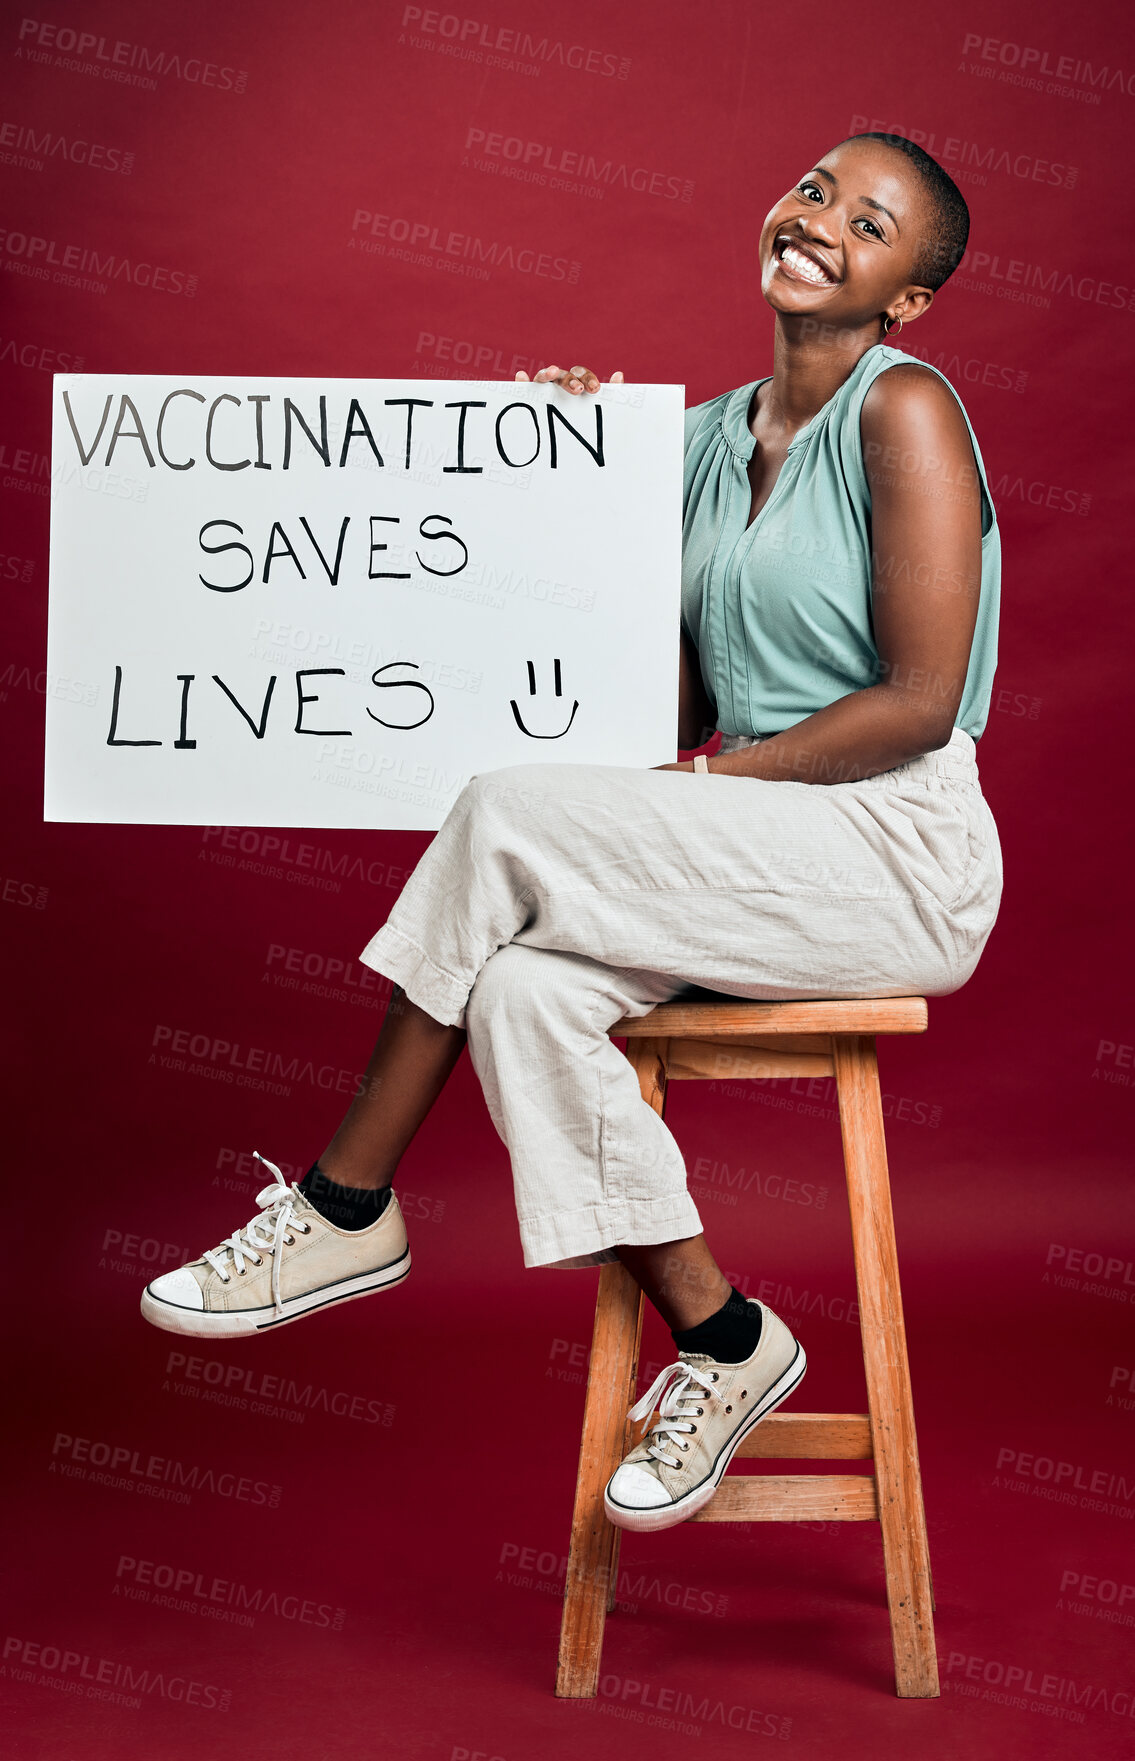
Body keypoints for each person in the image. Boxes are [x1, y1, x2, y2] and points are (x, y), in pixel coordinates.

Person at [141, 133, 1002, 1534]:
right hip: (752, 837)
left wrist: (712, 791)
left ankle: (346, 1204)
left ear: (907, 298)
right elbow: (647, 693)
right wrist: (561, 475)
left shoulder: (904, 414)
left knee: (501, 810)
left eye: (873, 222)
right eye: (814, 189)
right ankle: (729, 1345)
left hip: (891, 850)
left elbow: (914, 701)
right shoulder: (706, 439)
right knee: (524, 990)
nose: (822, 220)